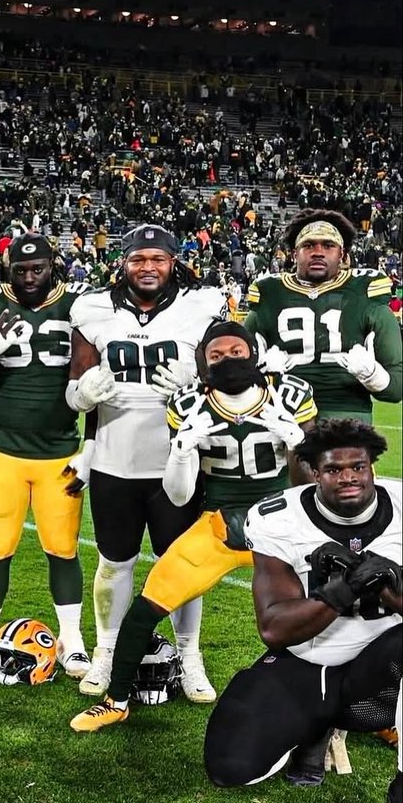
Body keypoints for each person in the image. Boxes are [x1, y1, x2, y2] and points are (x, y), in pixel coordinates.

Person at [70, 321, 316, 732]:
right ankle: (116, 700)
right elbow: (180, 496)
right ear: (202, 363)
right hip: (219, 525)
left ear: (253, 352)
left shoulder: (289, 393)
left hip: (283, 523)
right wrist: (182, 450)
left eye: (236, 351)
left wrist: (297, 442)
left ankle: (356, 703)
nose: (227, 360)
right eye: (216, 355)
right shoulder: (187, 403)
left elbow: (310, 484)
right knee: (147, 604)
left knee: (337, 607)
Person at [203, 420, 402, 803]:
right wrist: (342, 590)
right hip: (310, 659)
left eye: (359, 466)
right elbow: (274, 627)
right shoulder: (280, 517)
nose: (348, 477)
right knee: (230, 768)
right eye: (334, 469)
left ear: (372, 467)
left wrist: (387, 583)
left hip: (385, 664)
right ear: (314, 472)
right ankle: (314, 729)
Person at [66, 224, 229, 699]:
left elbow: (229, 367)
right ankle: (107, 651)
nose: (148, 267)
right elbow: (75, 383)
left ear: (173, 261)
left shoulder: (201, 306)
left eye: (158, 258)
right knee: (115, 564)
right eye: (139, 259)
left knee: (181, 563)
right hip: (116, 460)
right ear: (124, 262)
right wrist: (81, 394)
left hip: (178, 459)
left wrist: (200, 380)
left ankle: (189, 654)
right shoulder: (93, 308)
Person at [0, 233, 92, 680]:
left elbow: (94, 387)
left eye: (38, 269)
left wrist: (91, 445)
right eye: (20, 270)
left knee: (63, 548)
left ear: (54, 265)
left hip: (59, 453)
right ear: (7, 268)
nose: (30, 278)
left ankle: (72, 641)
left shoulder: (79, 306)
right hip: (3, 451)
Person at [243, 210, 402, 423]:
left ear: (343, 254)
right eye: (308, 245)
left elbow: (396, 389)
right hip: (282, 416)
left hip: (346, 416)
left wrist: (372, 374)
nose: (318, 252)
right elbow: (235, 376)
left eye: (328, 245)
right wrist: (260, 375)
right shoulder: (268, 294)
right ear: (293, 254)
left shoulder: (366, 294)